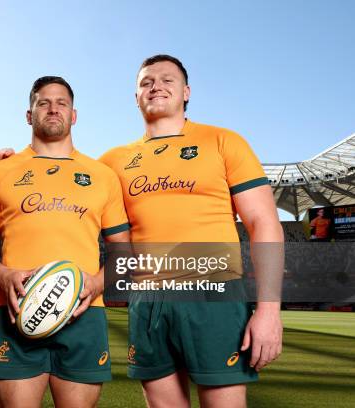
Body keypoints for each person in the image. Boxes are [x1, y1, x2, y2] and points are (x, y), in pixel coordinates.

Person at [98, 55, 284, 408]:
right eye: (146, 82)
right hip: (148, 298)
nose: (156, 86)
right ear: (135, 96)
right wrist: (11, 161)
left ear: (186, 92)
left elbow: (263, 223)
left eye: (167, 79)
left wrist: (269, 311)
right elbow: (66, 185)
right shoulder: (112, 161)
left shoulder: (223, 141)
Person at [0, 76, 130, 408]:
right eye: (43, 102)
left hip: (84, 315)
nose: (53, 109)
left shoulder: (102, 176)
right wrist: (2, 275)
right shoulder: (0, 171)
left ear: (74, 115)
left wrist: (97, 283)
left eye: (61, 103)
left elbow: (125, 250)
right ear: (29, 115)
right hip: (17, 312)